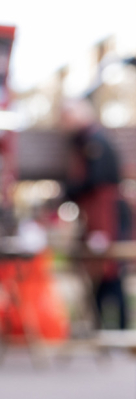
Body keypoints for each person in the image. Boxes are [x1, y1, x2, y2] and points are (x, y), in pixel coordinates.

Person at [64, 97, 130, 329]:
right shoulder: (85, 141)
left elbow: (97, 180)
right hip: (97, 217)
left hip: (105, 218)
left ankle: (117, 332)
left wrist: (69, 191)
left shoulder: (95, 141)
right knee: (102, 275)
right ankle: (104, 330)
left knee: (110, 272)